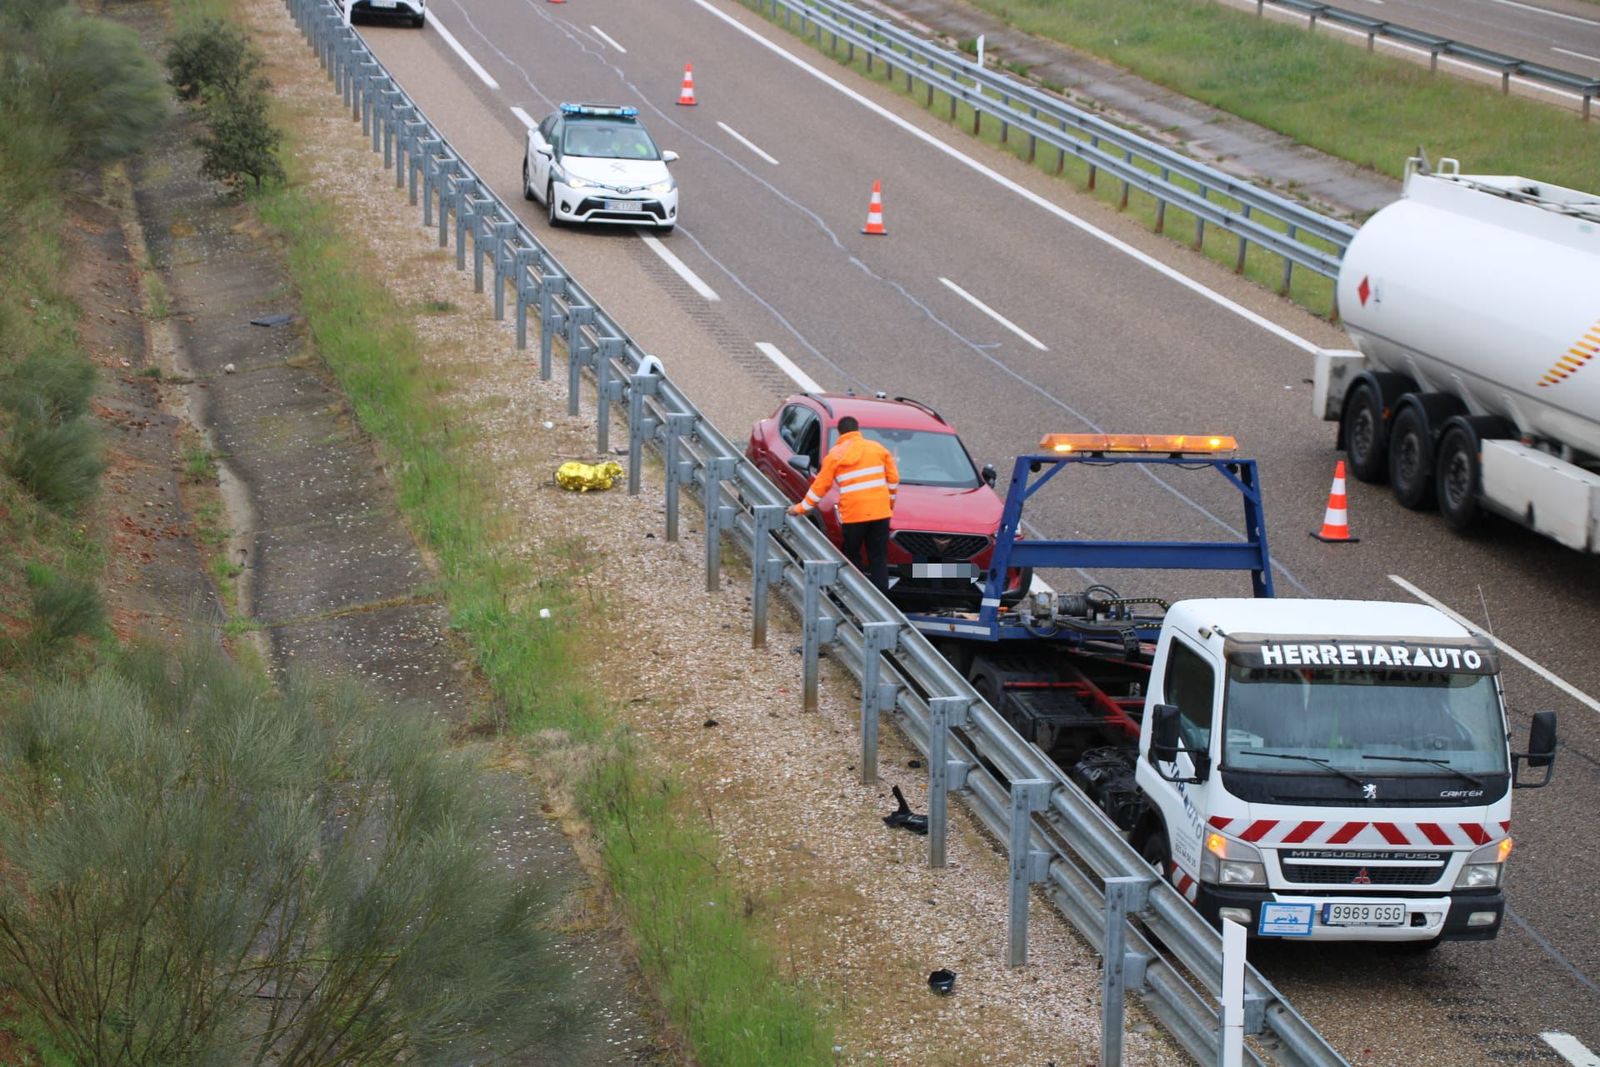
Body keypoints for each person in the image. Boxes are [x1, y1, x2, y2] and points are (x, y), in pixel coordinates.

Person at [788, 415, 899, 593]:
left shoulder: (835, 455)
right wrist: (889, 504)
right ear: (858, 430)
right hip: (880, 513)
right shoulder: (878, 449)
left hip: (854, 515)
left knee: (852, 554)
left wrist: (800, 508)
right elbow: (893, 480)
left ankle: (856, 593)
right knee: (878, 557)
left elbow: (819, 488)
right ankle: (881, 599)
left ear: (840, 433)